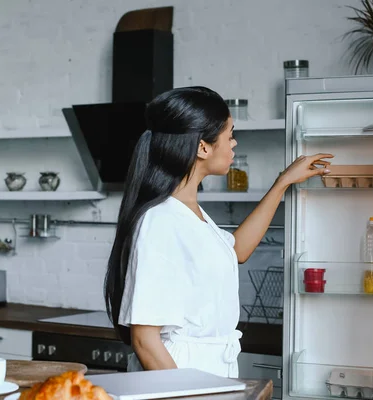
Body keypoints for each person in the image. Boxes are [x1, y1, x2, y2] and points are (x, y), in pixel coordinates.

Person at [103, 86, 332, 378]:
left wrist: (283, 183)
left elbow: (236, 250)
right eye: (230, 135)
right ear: (203, 147)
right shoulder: (160, 219)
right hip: (180, 374)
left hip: (207, 372)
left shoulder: (190, 213)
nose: (234, 144)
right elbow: (145, 340)